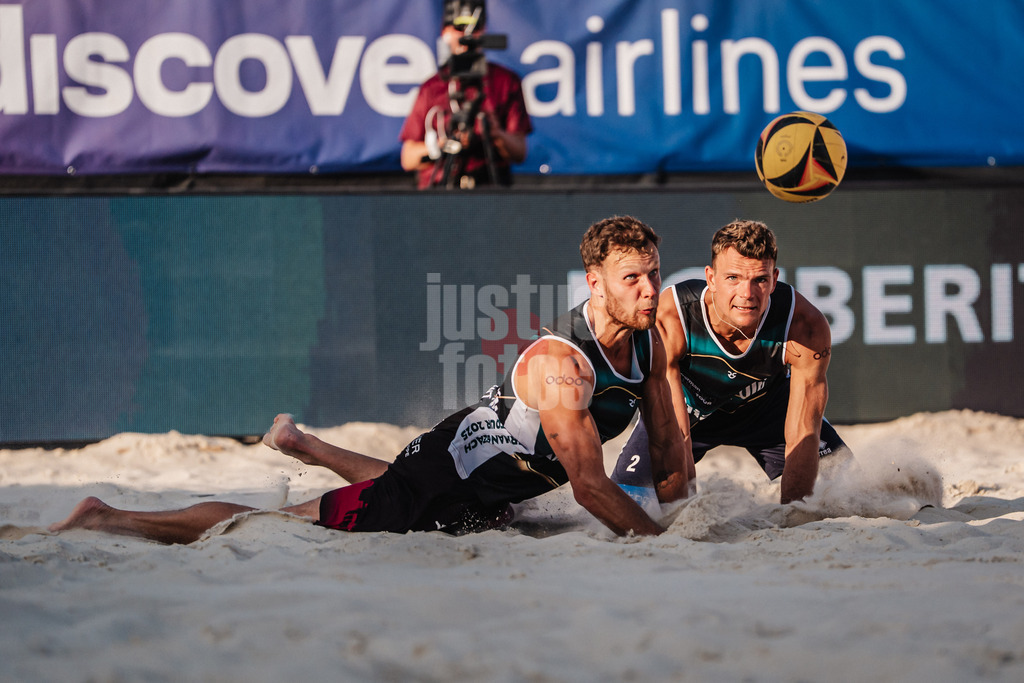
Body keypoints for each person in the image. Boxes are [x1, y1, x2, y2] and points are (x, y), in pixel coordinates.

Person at [50, 216, 689, 544]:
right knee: (277, 523)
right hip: (444, 474)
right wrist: (662, 544)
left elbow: (667, 441)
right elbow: (589, 487)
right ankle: (109, 517)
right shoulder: (564, 365)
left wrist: (682, 503)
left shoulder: (647, 341)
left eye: (654, 273)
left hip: (477, 483)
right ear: (595, 282)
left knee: (428, 496)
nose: (649, 288)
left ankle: (304, 444)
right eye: (632, 277)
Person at [612, 219, 849, 507]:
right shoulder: (672, 316)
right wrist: (682, 518)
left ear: (774, 279)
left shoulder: (803, 325)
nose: (747, 294)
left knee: (845, 495)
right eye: (733, 278)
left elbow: (804, 432)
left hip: (767, 411)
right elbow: (675, 436)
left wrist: (797, 514)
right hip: (689, 412)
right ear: (711, 278)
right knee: (631, 508)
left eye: (760, 280)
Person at [399, 0, 532, 189]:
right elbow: (408, 159)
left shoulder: (505, 81)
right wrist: (442, 145)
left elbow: (520, 153)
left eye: (474, 29)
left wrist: (495, 133)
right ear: (445, 32)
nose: (466, 36)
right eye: (459, 29)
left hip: (488, 188)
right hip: (439, 190)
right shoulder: (432, 86)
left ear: (483, 31)